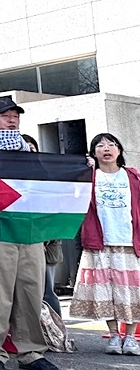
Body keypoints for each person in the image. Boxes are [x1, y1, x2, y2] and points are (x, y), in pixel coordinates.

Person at [0, 97, 59, 370]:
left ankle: (31, 351)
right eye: (5, 115)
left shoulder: (30, 153)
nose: (12, 120)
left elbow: (47, 187)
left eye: (15, 115)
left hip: (30, 231)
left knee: (31, 291)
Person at [71, 133, 140, 355]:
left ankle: (130, 337)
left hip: (129, 241)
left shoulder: (133, 177)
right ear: (93, 152)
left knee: (131, 291)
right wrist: (83, 169)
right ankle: (113, 335)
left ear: (119, 150)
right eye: (100, 145)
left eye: (111, 144)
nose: (106, 148)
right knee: (105, 291)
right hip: (99, 241)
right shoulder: (90, 177)